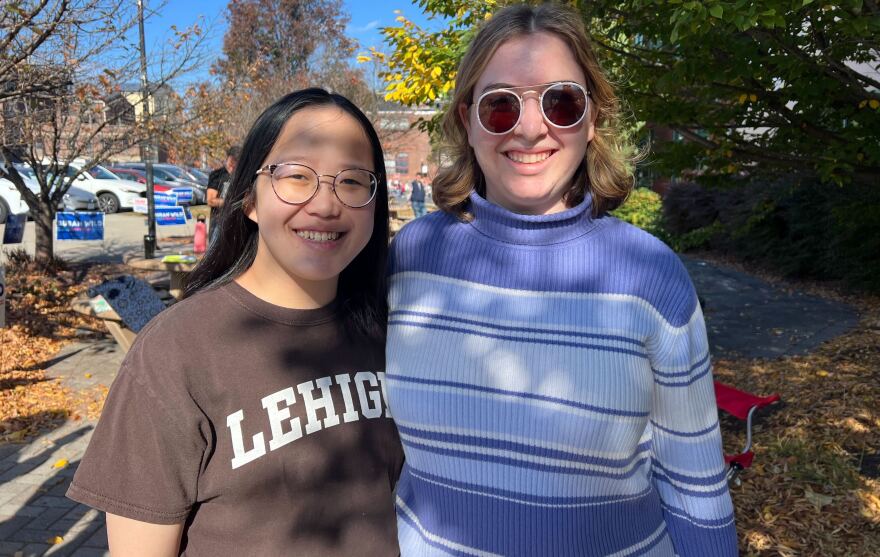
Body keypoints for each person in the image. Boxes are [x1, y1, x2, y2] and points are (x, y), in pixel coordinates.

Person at [385, 4, 737, 556]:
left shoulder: (650, 275)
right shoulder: (410, 256)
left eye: (562, 102)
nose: (530, 128)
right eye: (500, 105)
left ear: (592, 119)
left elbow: (694, 483)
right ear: (466, 119)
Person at [67, 88, 402, 556]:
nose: (326, 205)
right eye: (296, 176)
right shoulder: (176, 350)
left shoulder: (393, 331)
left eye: (351, 181)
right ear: (248, 200)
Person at [206, 145, 240, 244]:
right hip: (218, 222)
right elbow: (210, 200)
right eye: (231, 161)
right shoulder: (217, 175)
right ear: (227, 158)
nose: (233, 165)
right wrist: (232, 202)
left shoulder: (241, 175)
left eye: (236, 161)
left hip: (237, 223)